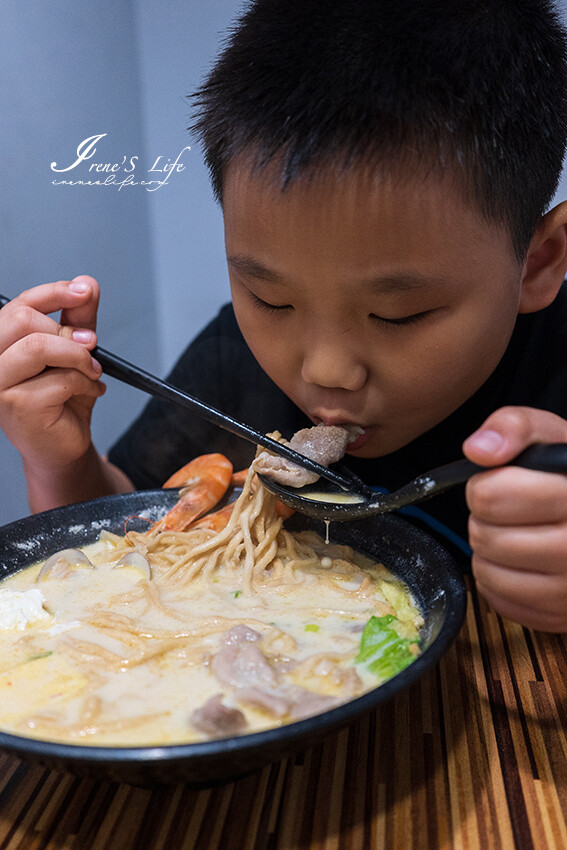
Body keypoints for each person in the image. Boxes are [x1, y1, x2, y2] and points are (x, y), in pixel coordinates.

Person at [1, 0, 567, 632]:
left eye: (397, 313)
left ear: (539, 262)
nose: (327, 370)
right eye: (270, 300)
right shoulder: (231, 359)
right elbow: (132, 540)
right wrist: (58, 460)